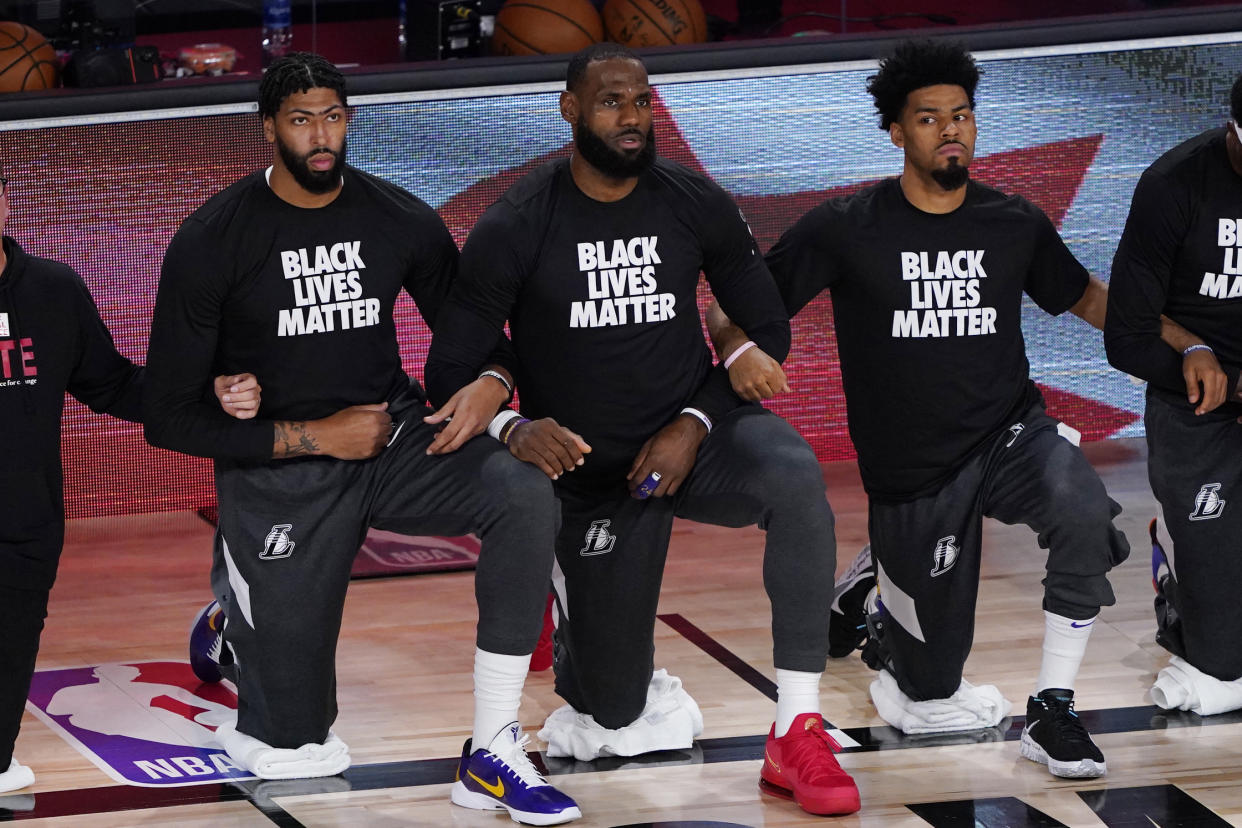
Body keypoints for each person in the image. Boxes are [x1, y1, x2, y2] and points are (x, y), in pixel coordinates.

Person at [424, 43, 860, 817]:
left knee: (793, 474)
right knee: (613, 714)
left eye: (641, 102)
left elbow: (767, 328)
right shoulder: (519, 221)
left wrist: (695, 421)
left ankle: (797, 723)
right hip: (589, 477)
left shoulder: (692, 200)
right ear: (570, 110)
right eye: (610, 103)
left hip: (695, 444)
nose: (631, 119)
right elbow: (449, 363)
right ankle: (591, 645)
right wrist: (516, 425)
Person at [143, 53, 580, 825]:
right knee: (295, 746)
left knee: (520, 490)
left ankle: (494, 747)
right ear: (269, 126)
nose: (321, 136)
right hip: (282, 464)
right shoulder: (213, 238)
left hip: (394, 438)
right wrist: (310, 431)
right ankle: (234, 617)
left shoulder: (396, 216)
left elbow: (475, 337)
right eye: (302, 119)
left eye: (334, 117)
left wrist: (494, 384)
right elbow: (168, 415)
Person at [709, 39, 1149, 779]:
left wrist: (1183, 343)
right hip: (912, 472)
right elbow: (736, 306)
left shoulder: (1013, 222)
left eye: (963, 116)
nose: (951, 130)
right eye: (929, 118)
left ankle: (1054, 707)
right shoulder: (846, 225)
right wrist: (736, 354)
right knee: (929, 688)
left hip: (1012, 435)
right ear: (897, 132)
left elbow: (1090, 301)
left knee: (1081, 508)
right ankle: (872, 580)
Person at [0, 168, 260, 793]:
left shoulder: (51, 291)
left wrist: (206, 392)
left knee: (9, 651)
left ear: (5, 201)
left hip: (23, 520)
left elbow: (111, 383)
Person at [1104, 74, 1242, 717]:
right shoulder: (1174, 185)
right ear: (1235, 132)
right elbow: (1127, 333)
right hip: (1200, 406)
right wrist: (1193, 346)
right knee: (1220, 669)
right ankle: (1177, 575)